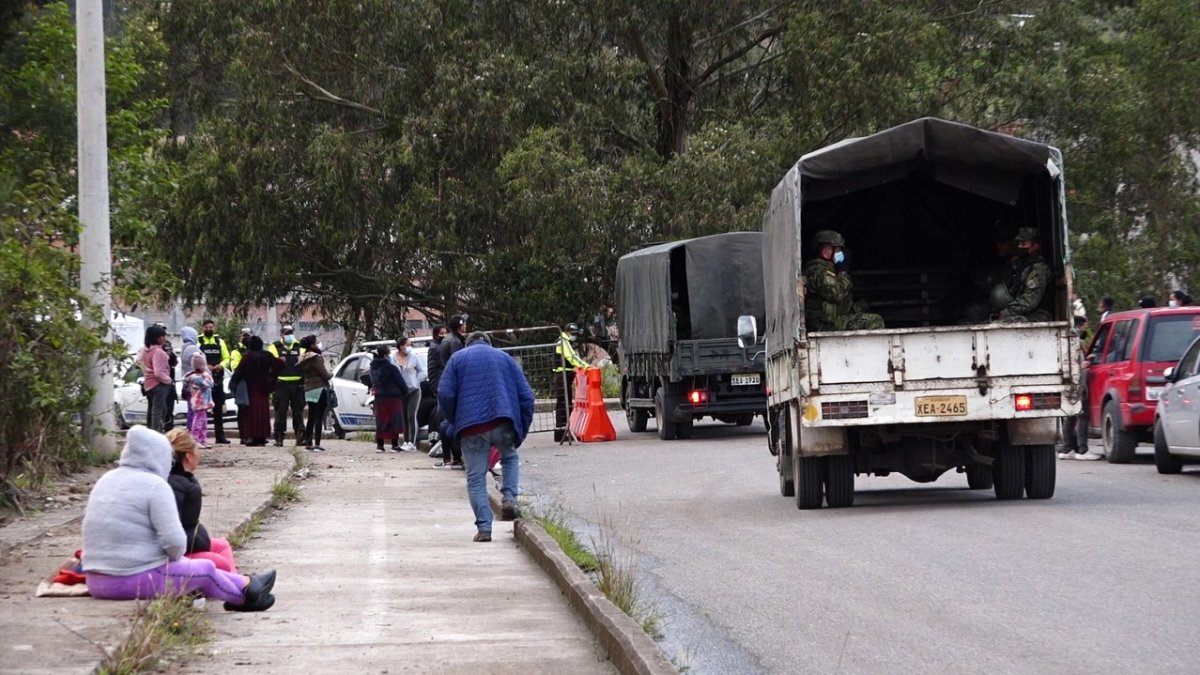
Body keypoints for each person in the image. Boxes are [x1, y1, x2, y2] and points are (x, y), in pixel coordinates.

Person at [81, 425, 275, 611]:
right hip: (128, 579)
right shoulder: (155, 486)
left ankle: (248, 583)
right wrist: (175, 561)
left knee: (204, 566)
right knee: (205, 569)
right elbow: (175, 543)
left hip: (94, 580)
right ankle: (243, 596)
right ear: (160, 457)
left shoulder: (106, 479)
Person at [438, 332, 535, 542]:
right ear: (488, 343)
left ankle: (484, 528)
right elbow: (527, 397)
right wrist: (520, 431)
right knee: (509, 458)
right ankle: (509, 498)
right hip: (503, 420)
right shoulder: (505, 358)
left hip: (471, 427)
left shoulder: (457, 359)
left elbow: (445, 393)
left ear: (468, 343)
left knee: (476, 477)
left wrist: (455, 421)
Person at [164, 429, 238, 573]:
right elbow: (173, 530)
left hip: (187, 543)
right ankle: (240, 585)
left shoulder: (181, 480)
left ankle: (240, 583)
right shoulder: (176, 486)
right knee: (220, 564)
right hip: (176, 552)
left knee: (222, 545)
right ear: (189, 456)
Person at [804, 230, 883, 331]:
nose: (840, 253)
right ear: (826, 251)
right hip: (823, 325)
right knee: (875, 320)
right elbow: (837, 294)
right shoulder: (817, 271)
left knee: (864, 307)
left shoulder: (829, 269)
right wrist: (843, 271)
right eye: (837, 250)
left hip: (832, 320)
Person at [433, 315, 469, 467]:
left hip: (449, 385)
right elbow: (458, 363)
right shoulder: (454, 342)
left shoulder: (450, 339)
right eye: (464, 323)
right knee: (451, 423)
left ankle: (450, 458)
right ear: (460, 326)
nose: (466, 326)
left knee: (446, 423)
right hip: (454, 387)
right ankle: (456, 458)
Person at [232, 336, 278, 447]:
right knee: (263, 414)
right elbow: (280, 365)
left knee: (251, 415)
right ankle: (262, 437)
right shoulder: (267, 355)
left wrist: (235, 384)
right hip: (264, 389)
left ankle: (252, 437)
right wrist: (272, 380)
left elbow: (239, 372)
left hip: (250, 389)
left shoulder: (247, 357)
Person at [998, 227, 1051, 322]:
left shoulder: (1038, 269)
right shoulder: (1025, 266)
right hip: (1027, 313)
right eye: (1019, 244)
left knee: (1006, 322)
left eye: (1023, 244)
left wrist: (1008, 311)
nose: (1020, 247)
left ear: (1035, 246)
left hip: (1039, 315)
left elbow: (1030, 300)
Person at [1060, 316, 1093, 460]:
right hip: (1077, 381)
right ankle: (1082, 450)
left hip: (1068, 382)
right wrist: (1084, 364)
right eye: (1083, 327)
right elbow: (1074, 363)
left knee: (1069, 415)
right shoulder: (1074, 342)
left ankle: (1068, 448)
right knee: (1082, 415)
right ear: (1079, 326)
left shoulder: (1064, 340)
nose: (1084, 330)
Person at [267, 325, 306, 447]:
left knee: (298, 412)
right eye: (286, 333)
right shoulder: (274, 346)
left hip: (297, 385)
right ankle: (279, 437)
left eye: (290, 332)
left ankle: (301, 437)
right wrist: (278, 360)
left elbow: (305, 362)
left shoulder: (299, 346)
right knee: (280, 413)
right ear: (281, 334)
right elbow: (270, 362)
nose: (288, 335)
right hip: (281, 385)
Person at [553, 323, 590, 442]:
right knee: (564, 404)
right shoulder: (563, 341)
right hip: (562, 376)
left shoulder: (563, 341)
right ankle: (562, 433)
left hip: (562, 376)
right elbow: (572, 357)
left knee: (563, 404)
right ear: (568, 332)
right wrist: (586, 366)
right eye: (574, 334)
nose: (575, 336)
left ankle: (561, 432)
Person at [198, 319, 232, 445]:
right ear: (203, 328)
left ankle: (220, 436)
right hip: (202, 380)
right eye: (206, 327)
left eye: (211, 327)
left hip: (217, 378)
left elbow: (227, 358)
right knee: (202, 409)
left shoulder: (219, 341)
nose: (209, 329)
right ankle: (202, 436)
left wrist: (221, 365)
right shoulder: (198, 341)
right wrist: (206, 366)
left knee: (218, 409)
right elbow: (195, 357)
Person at [297, 335, 332, 452]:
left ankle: (308, 442)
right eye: (317, 342)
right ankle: (317, 443)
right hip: (319, 388)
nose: (318, 344)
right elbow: (325, 375)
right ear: (312, 345)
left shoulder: (303, 358)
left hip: (309, 389)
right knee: (319, 417)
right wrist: (331, 374)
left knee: (311, 416)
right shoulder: (316, 358)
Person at [370, 346, 408, 452]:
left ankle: (380, 445)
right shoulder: (391, 367)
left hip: (379, 396)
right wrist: (405, 391)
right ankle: (394, 445)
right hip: (393, 397)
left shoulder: (373, 367)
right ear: (386, 355)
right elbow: (400, 382)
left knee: (382, 421)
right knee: (394, 420)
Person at [391, 336, 426, 452]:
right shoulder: (392, 358)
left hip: (413, 391)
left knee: (411, 415)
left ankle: (412, 442)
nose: (409, 347)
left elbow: (422, 372)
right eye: (407, 345)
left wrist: (416, 382)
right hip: (400, 392)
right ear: (401, 346)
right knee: (404, 417)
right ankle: (406, 441)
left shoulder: (413, 357)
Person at [423, 325, 449, 457]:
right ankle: (438, 441)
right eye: (441, 333)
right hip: (441, 385)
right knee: (441, 414)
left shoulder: (438, 347)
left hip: (441, 384)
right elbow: (434, 370)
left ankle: (438, 440)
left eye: (446, 332)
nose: (444, 335)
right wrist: (435, 387)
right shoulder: (437, 348)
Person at [141, 324, 173, 432]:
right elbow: (158, 372)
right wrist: (168, 380)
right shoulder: (159, 352)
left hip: (149, 383)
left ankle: (153, 430)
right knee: (159, 410)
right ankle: (156, 432)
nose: (164, 338)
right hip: (158, 383)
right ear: (157, 338)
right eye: (162, 336)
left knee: (155, 409)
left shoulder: (146, 351)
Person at [184, 353, 214, 448]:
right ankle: (196, 439)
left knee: (203, 422)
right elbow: (209, 384)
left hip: (202, 402)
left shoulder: (193, 376)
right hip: (199, 402)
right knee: (198, 421)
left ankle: (202, 439)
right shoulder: (197, 377)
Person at [229, 328, 252, 441]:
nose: (246, 338)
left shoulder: (254, 350)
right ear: (240, 337)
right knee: (242, 408)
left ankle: (252, 434)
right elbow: (235, 367)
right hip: (242, 382)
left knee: (252, 409)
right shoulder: (236, 351)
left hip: (252, 382)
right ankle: (243, 435)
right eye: (244, 336)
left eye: (248, 336)